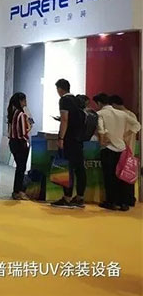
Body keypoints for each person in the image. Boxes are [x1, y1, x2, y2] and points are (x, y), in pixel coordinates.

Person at [95, 94, 140, 211]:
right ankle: (124, 203)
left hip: (108, 148)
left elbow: (101, 129)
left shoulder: (100, 114)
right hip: (122, 149)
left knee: (109, 177)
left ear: (99, 103)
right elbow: (137, 125)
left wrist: (102, 140)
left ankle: (111, 202)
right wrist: (126, 134)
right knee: (122, 176)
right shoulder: (122, 114)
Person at [51, 79, 86, 209]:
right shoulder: (78, 100)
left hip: (69, 139)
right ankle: (80, 197)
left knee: (68, 168)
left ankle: (67, 197)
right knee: (80, 169)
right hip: (79, 138)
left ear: (60, 89)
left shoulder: (64, 100)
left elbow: (65, 120)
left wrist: (61, 138)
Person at [7, 92, 31, 201]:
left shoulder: (12, 113)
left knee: (19, 168)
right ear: (21, 101)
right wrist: (29, 127)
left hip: (13, 142)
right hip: (21, 143)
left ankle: (17, 191)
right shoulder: (22, 115)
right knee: (21, 168)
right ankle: (18, 191)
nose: (26, 103)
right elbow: (23, 132)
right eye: (24, 100)